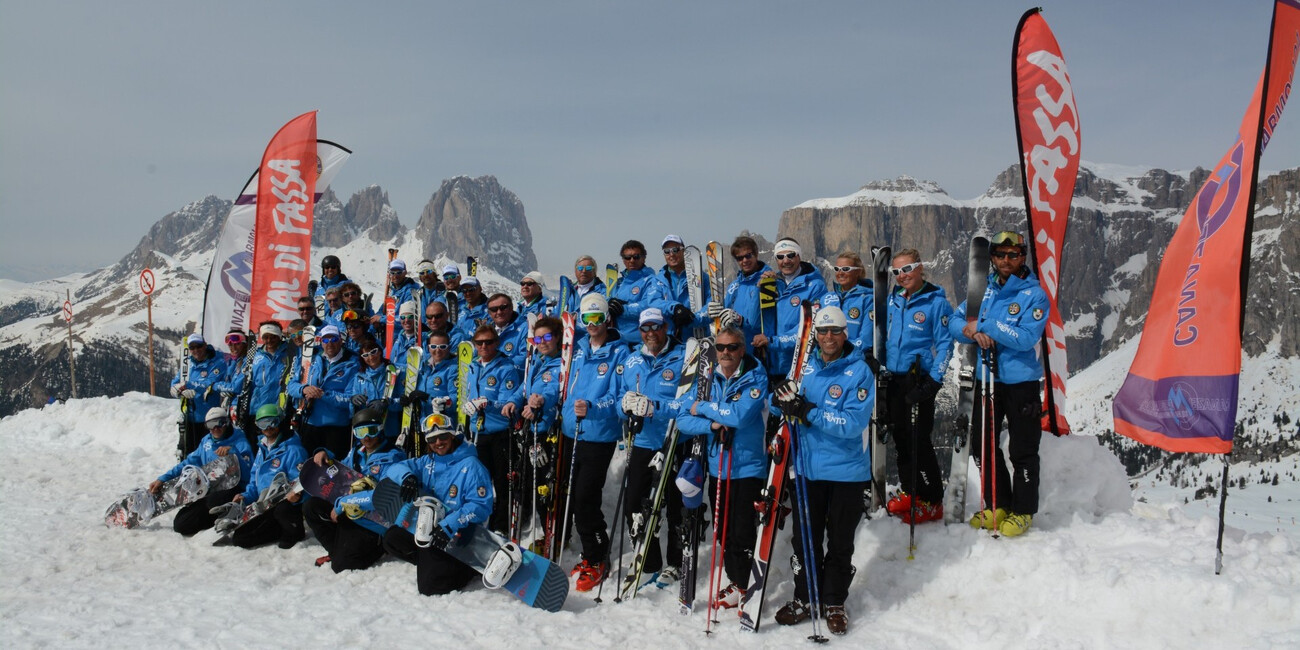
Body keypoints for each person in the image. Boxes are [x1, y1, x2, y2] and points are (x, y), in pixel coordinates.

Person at [770, 306, 874, 636]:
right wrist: (782, 399)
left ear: (845, 334)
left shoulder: (860, 373)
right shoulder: (805, 367)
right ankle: (805, 597)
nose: (828, 337)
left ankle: (834, 602)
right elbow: (784, 401)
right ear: (816, 334)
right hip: (806, 470)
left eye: (835, 331)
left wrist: (807, 411)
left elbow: (853, 423)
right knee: (806, 543)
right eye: (823, 331)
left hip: (846, 473)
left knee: (840, 542)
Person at [948, 231, 1049, 538]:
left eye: (1013, 255)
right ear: (991, 258)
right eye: (1001, 255)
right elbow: (955, 320)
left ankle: (1023, 511)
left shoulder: (1034, 295)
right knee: (984, 446)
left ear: (1022, 258)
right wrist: (971, 332)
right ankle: (998, 503)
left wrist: (986, 325)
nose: (1007, 261)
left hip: (1021, 384)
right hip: (986, 379)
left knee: (1022, 449)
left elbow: (1025, 338)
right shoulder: (984, 292)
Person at [674, 326, 769, 607]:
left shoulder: (755, 375)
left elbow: (739, 416)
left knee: (742, 531)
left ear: (742, 349)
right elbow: (682, 418)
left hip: (747, 467)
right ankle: (736, 581)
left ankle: (745, 585)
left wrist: (702, 407)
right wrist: (712, 423)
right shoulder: (707, 378)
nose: (726, 353)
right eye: (721, 348)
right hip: (718, 465)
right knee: (723, 530)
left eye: (732, 347)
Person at [379, 415, 494, 596]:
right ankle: (434, 562)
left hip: (459, 531)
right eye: (432, 439)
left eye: (443, 437)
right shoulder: (427, 462)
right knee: (392, 538)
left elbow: (481, 506)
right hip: (432, 529)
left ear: (452, 436)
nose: (438, 442)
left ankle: (466, 568)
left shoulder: (472, 465)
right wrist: (407, 477)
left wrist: (451, 525)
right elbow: (393, 468)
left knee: (429, 588)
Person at [616, 308, 689, 589]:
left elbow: (689, 402)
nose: (650, 333)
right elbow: (619, 399)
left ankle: (675, 562)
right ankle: (649, 561)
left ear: (666, 327)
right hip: (644, 443)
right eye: (645, 328)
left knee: (675, 506)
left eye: (655, 327)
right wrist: (623, 406)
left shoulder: (683, 357)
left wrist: (655, 408)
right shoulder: (632, 359)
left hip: (675, 440)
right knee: (635, 503)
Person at [561, 293, 629, 591]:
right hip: (570, 430)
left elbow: (622, 398)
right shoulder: (577, 349)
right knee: (573, 496)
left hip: (599, 434)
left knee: (586, 497)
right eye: (587, 318)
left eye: (597, 318)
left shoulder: (620, 353)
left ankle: (597, 555)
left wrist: (594, 408)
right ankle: (588, 551)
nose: (592, 324)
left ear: (607, 319)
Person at [883, 249, 955, 524]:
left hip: (919, 378)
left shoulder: (936, 302)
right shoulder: (895, 300)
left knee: (919, 441)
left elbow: (946, 344)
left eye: (907, 268)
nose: (902, 276)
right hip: (894, 379)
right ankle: (912, 493)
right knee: (901, 440)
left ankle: (932, 500)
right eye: (896, 272)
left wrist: (933, 382)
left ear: (920, 267)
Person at [303, 407, 406, 572]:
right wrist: (325, 454)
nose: (366, 437)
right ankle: (336, 550)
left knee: (342, 566)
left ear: (380, 429)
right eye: (360, 432)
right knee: (311, 507)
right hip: (351, 511)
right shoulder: (357, 453)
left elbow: (385, 495)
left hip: (374, 520)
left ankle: (379, 546)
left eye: (371, 431)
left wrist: (343, 504)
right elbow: (342, 472)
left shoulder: (393, 457)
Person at [150, 407, 254, 536]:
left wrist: (233, 454)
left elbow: (250, 474)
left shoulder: (239, 441)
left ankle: (231, 515)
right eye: (211, 424)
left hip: (234, 490)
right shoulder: (206, 442)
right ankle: (213, 519)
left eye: (220, 423)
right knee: (181, 524)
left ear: (227, 423)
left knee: (213, 502)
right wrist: (164, 478)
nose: (216, 428)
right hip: (210, 490)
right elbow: (188, 462)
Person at [216, 404, 309, 549]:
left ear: (281, 421)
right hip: (263, 504)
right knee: (239, 536)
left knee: (243, 539)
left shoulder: (293, 450)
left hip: (283, 506)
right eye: (262, 424)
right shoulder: (262, 448)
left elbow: (302, 482)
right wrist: (245, 496)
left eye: (272, 422)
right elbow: (255, 480)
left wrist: (296, 496)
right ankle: (274, 528)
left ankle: (293, 530)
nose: (268, 428)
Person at [460, 324, 523, 534]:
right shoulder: (473, 366)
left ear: (497, 342)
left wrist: (487, 402)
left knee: (501, 480)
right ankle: (480, 519)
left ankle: (501, 525)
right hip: (477, 433)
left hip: (500, 432)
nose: (484, 346)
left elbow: (509, 402)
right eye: (479, 342)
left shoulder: (506, 368)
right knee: (479, 480)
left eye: (488, 341)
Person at [215, 321, 293, 447]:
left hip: (279, 411)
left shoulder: (290, 355)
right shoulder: (253, 357)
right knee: (254, 447)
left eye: (273, 336)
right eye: (266, 337)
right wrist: (236, 405)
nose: (269, 340)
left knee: (277, 447)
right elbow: (240, 385)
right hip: (256, 411)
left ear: (279, 336)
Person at [287, 325, 359, 459]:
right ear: (321, 342)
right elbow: (291, 385)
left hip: (336, 426)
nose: (330, 343)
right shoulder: (311, 358)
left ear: (340, 340)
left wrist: (323, 395)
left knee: (333, 470)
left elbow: (350, 398)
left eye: (334, 339)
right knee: (309, 466)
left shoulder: (353, 363)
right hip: (310, 423)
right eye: (326, 340)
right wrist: (304, 389)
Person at [764, 238, 832, 379]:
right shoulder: (771, 284)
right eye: (780, 257)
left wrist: (773, 342)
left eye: (790, 255)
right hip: (772, 364)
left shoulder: (815, 286)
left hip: (801, 366)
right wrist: (761, 288)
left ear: (799, 256)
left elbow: (809, 327)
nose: (786, 261)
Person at [714, 235, 773, 361]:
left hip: (759, 352)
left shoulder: (768, 280)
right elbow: (724, 313)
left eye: (748, 255)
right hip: (736, 352)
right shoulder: (734, 286)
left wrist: (740, 320)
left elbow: (768, 322)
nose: (744, 260)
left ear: (756, 254)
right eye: (740, 258)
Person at [169, 333, 226, 456]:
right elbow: (176, 382)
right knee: (189, 452)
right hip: (190, 417)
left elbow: (210, 383)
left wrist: (190, 385)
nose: (196, 350)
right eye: (192, 348)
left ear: (205, 345)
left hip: (211, 418)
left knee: (209, 452)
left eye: (199, 346)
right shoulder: (187, 365)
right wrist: (176, 390)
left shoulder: (217, 362)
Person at [608, 240, 669, 344]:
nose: (631, 260)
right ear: (623, 260)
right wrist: (608, 305)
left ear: (643, 258)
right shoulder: (619, 282)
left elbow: (649, 305)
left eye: (636, 257)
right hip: (617, 339)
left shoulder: (652, 280)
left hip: (639, 340)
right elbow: (608, 299)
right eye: (627, 257)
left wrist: (623, 309)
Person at [347, 338, 404, 442]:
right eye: (366, 355)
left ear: (380, 352)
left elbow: (403, 401)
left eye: (373, 352)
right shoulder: (359, 377)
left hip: (389, 428)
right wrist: (353, 401)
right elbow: (353, 408)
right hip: (368, 430)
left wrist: (387, 403)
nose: (371, 357)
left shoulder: (394, 372)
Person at [656, 234, 710, 340]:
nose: (671, 254)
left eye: (675, 249)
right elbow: (654, 303)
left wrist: (693, 319)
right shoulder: (658, 280)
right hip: (669, 340)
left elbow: (711, 304)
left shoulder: (702, 277)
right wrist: (675, 308)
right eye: (667, 251)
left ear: (683, 251)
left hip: (697, 337)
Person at [830, 252, 873, 358]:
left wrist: (841, 351)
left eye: (845, 269)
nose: (840, 273)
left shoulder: (868, 299)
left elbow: (866, 339)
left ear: (858, 271)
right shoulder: (827, 298)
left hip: (853, 359)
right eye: (837, 269)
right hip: (829, 359)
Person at [487, 293, 529, 367]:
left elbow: (525, 358)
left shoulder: (525, 328)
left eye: (503, 307)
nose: (499, 312)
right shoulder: (486, 332)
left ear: (511, 308)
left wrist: (498, 366)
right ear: (489, 313)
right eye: (494, 309)